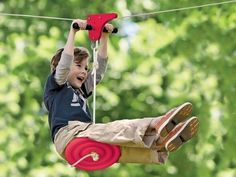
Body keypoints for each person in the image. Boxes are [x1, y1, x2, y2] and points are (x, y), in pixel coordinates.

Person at [43, 19, 199, 164]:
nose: (84, 72)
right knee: (117, 128)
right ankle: (156, 123)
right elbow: (64, 64)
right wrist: (73, 32)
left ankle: (159, 145)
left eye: (85, 68)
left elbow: (99, 70)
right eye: (78, 66)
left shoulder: (81, 90)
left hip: (82, 139)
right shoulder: (57, 86)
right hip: (69, 135)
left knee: (119, 147)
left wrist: (104, 37)